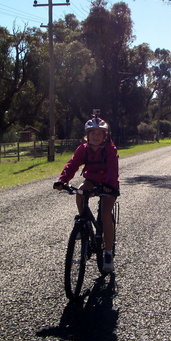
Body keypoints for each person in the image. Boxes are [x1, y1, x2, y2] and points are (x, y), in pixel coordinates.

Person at [53, 114, 120, 273]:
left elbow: (112, 169)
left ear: (105, 136)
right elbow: (72, 164)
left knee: (105, 215)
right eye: (93, 133)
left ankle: (108, 253)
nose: (96, 136)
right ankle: (84, 223)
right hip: (91, 179)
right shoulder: (83, 149)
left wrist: (109, 186)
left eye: (99, 133)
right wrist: (63, 181)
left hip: (108, 184)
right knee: (80, 192)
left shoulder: (110, 149)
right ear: (87, 135)